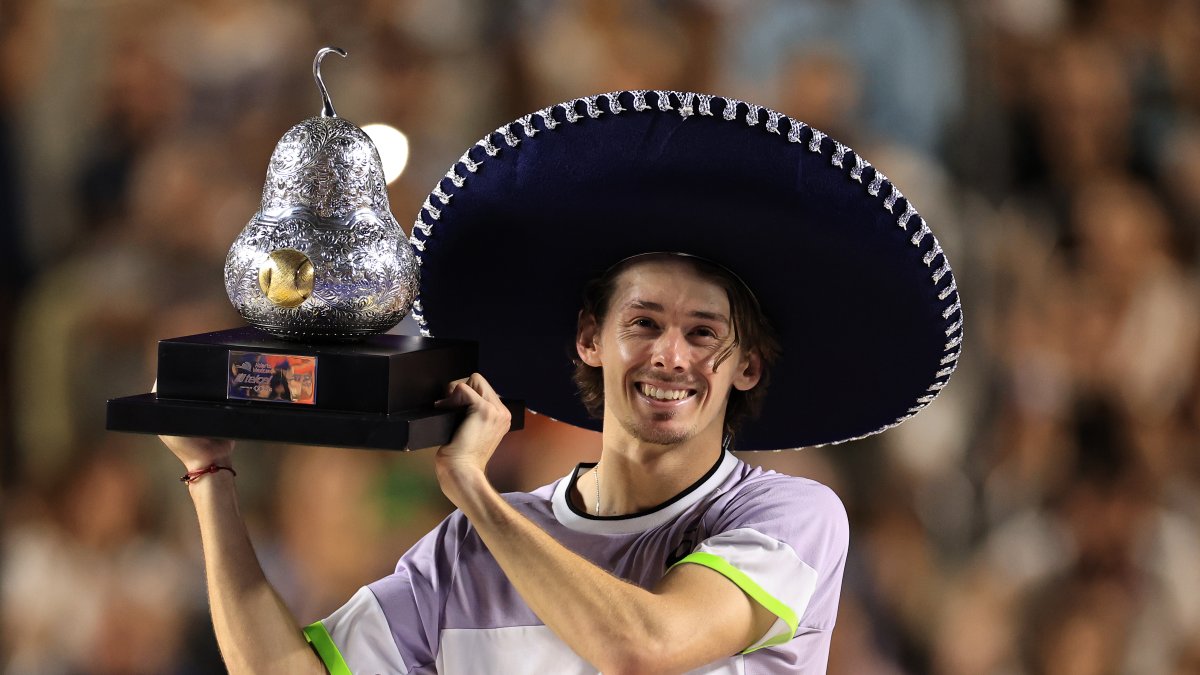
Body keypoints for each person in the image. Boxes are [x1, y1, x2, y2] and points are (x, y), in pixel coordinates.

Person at [161, 90, 963, 673]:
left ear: (745, 366)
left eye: (704, 334)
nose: (671, 356)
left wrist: (474, 492)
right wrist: (210, 475)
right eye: (643, 322)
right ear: (591, 340)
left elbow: (642, 646)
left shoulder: (791, 514)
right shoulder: (466, 551)